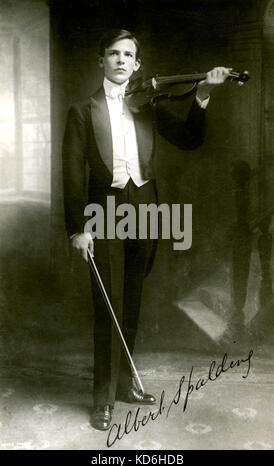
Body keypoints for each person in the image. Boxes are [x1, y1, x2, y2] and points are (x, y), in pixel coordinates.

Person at [62, 28, 230, 431]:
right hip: (103, 212)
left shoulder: (146, 106)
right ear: (101, 60)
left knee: (132, 297)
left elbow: (190, 139)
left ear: (138, 64)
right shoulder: (83, 110)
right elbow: (70, 174)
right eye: (113, 53)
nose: (121, 60)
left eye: (129, 55)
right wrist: (77, 229)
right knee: (109, 304)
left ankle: (124, 384)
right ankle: (101, 396)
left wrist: (204, 93)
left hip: (146, 211)